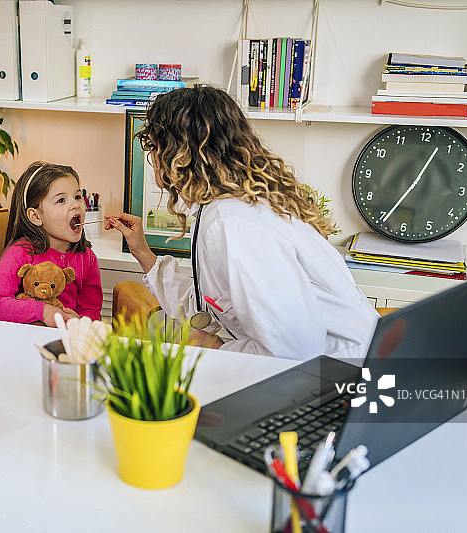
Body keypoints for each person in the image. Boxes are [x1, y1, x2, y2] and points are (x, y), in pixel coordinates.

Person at [105, 86, 378, 360]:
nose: (152, 160)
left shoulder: (231, 223)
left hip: (342, 377)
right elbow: (205, 305)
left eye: (155, 148)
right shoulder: (244, 203)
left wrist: (215, 348)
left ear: (177, 154)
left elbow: (293, 350)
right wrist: (142, 252)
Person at [0, 161, 102, 326]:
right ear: (36, 216)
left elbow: (91, 310)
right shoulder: (20, 253)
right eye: (61, 200)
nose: (75, 205)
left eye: (77, 196)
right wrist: (43, 311)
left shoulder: (87, 258)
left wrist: (81, 322)